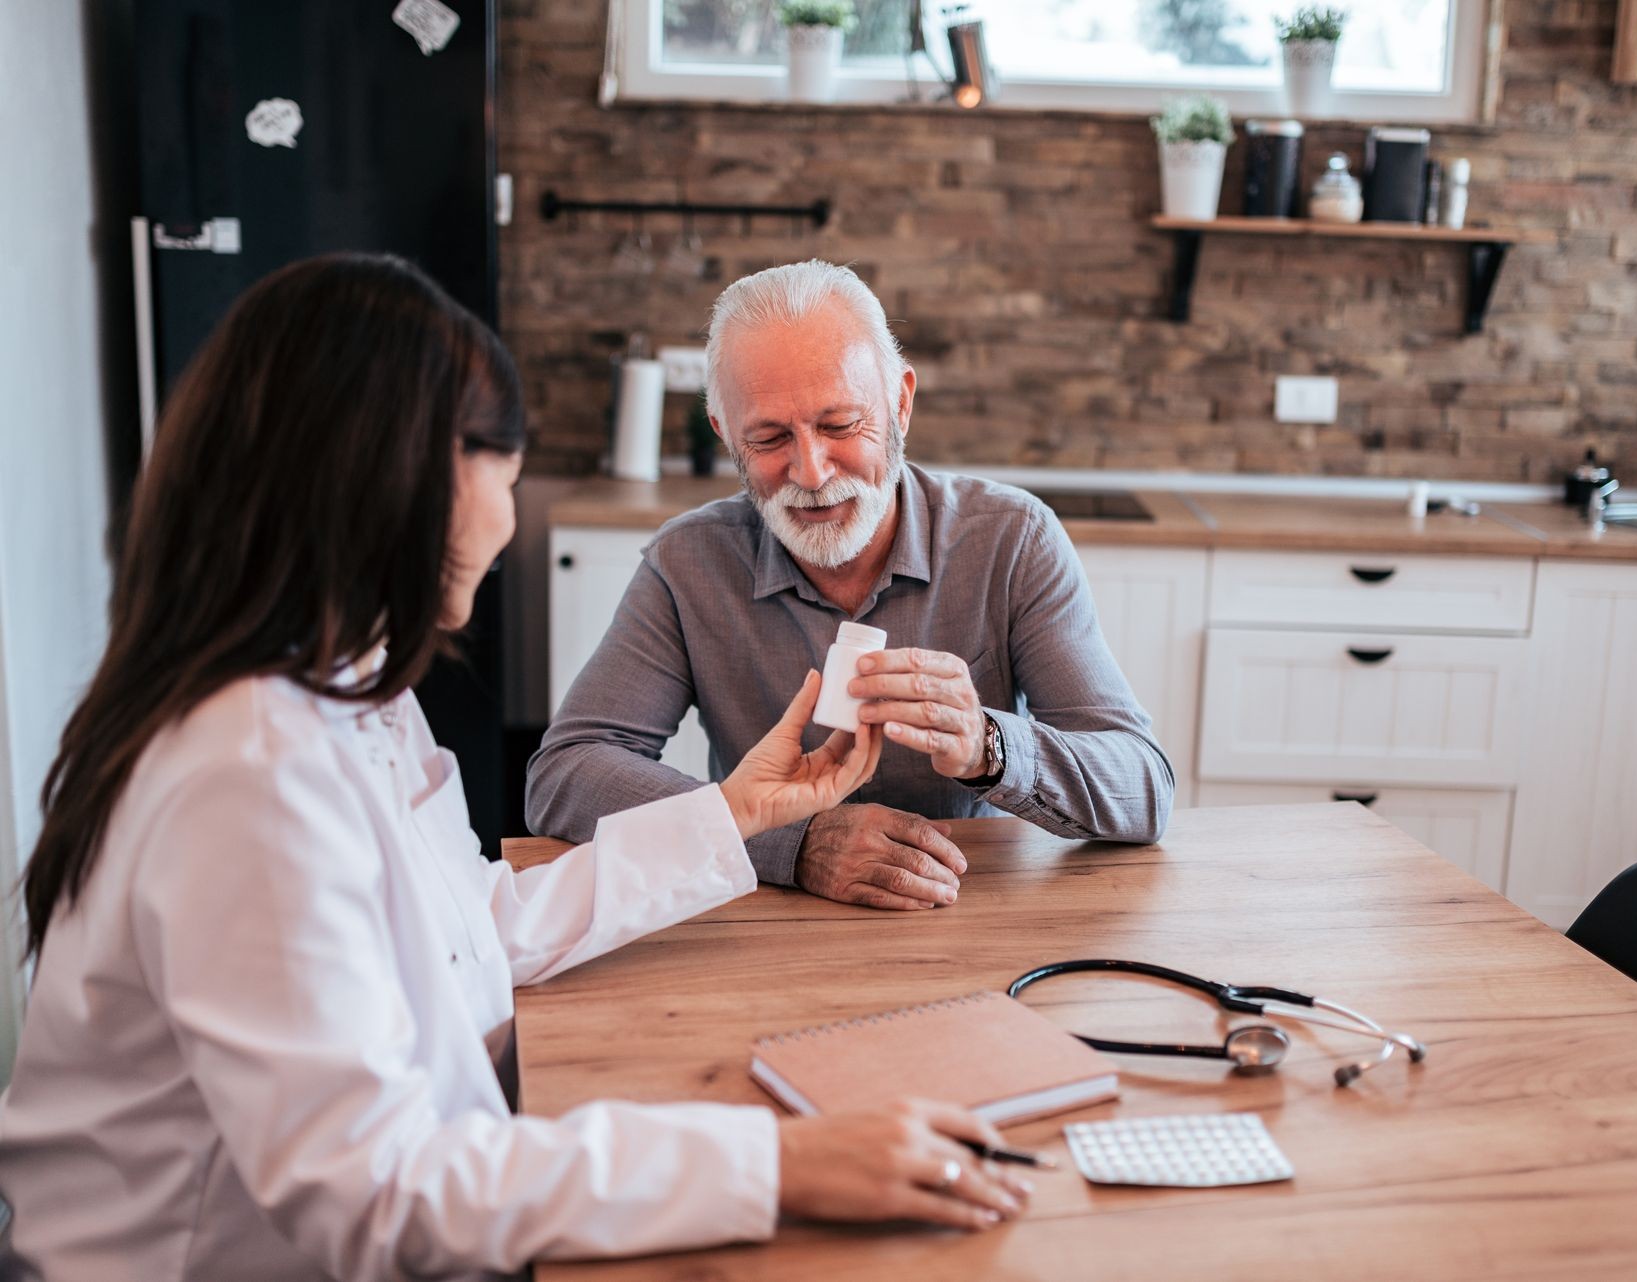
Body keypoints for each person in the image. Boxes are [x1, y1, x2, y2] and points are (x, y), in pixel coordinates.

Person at [0, 255, 1029, 1282]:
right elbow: (380, 1193)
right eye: (506, 468)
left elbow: (475, 933)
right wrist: (773, 1162)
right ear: (401, 476)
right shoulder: (246, 771)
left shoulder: (337, 686)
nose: (508, 519)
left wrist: (739, 810)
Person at [527, 261, 1172, 911]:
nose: (809, 472)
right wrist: (790, 841)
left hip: (971, 915)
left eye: (840, 426)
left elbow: (1144, 790)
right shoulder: (688, 563)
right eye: (770, 437)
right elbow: (566, 776)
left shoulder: (1012, 540)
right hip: (765, 930)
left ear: (901, 404)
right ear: (726, 436)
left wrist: (990, 744)